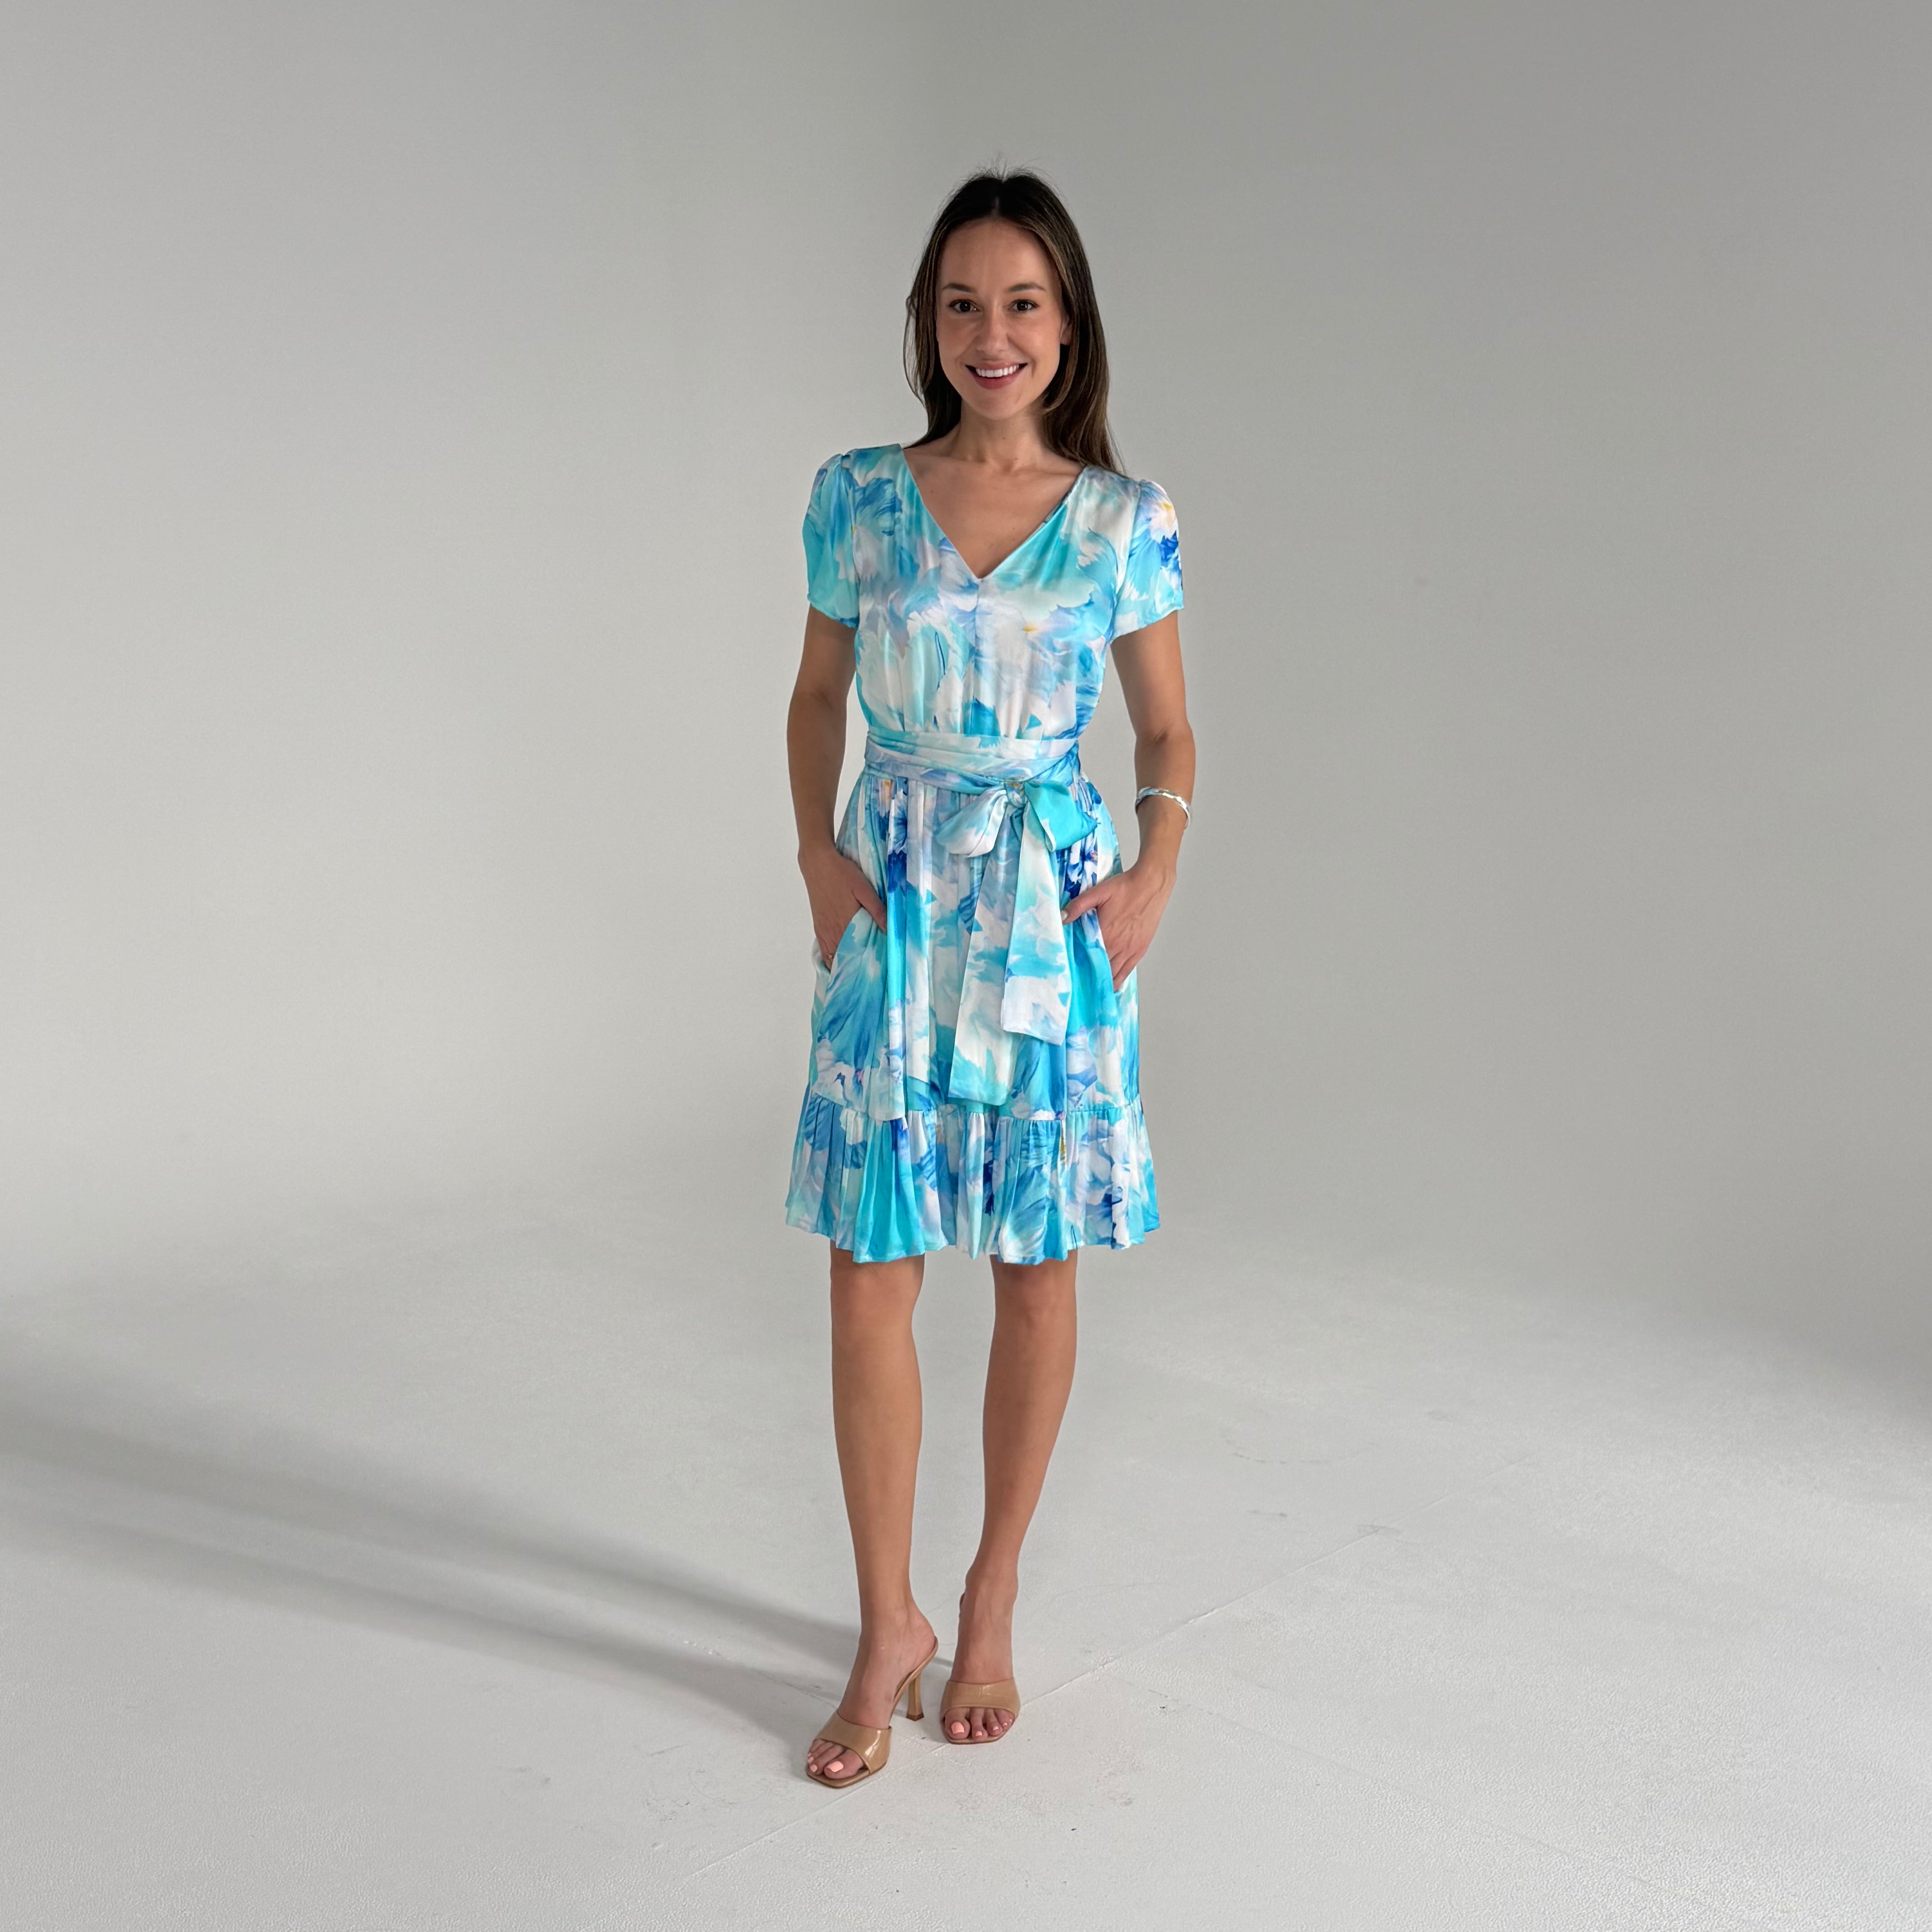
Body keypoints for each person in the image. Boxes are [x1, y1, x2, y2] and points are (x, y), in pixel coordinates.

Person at [783, 168, 1196, 1787]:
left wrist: (1158, 860)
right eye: (962, 302)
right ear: (926, 322)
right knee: (867, 1261)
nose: (991, 333)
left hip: (1050, 918)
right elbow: (815, 693)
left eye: (1022, 302)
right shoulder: (853, 495)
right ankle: (883, 1619)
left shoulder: (1121, 519)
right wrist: (815, 854)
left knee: (1037, 1256)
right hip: (890, 905)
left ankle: (991, 1585)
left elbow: (1165, 729)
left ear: (1068, 322)